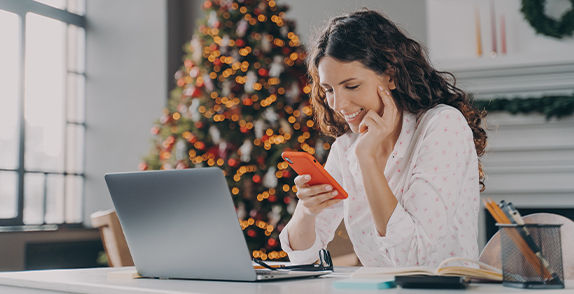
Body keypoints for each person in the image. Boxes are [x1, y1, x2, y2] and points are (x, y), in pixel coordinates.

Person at [278, 9, 487, 267]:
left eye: (352, 86)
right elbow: (302, 257)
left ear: (390, 75)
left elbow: (412, 258)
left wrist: (367, 161)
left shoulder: (442, 126)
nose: (338, 104)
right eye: (328, 89)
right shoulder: (347, 146)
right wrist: (307, 211)